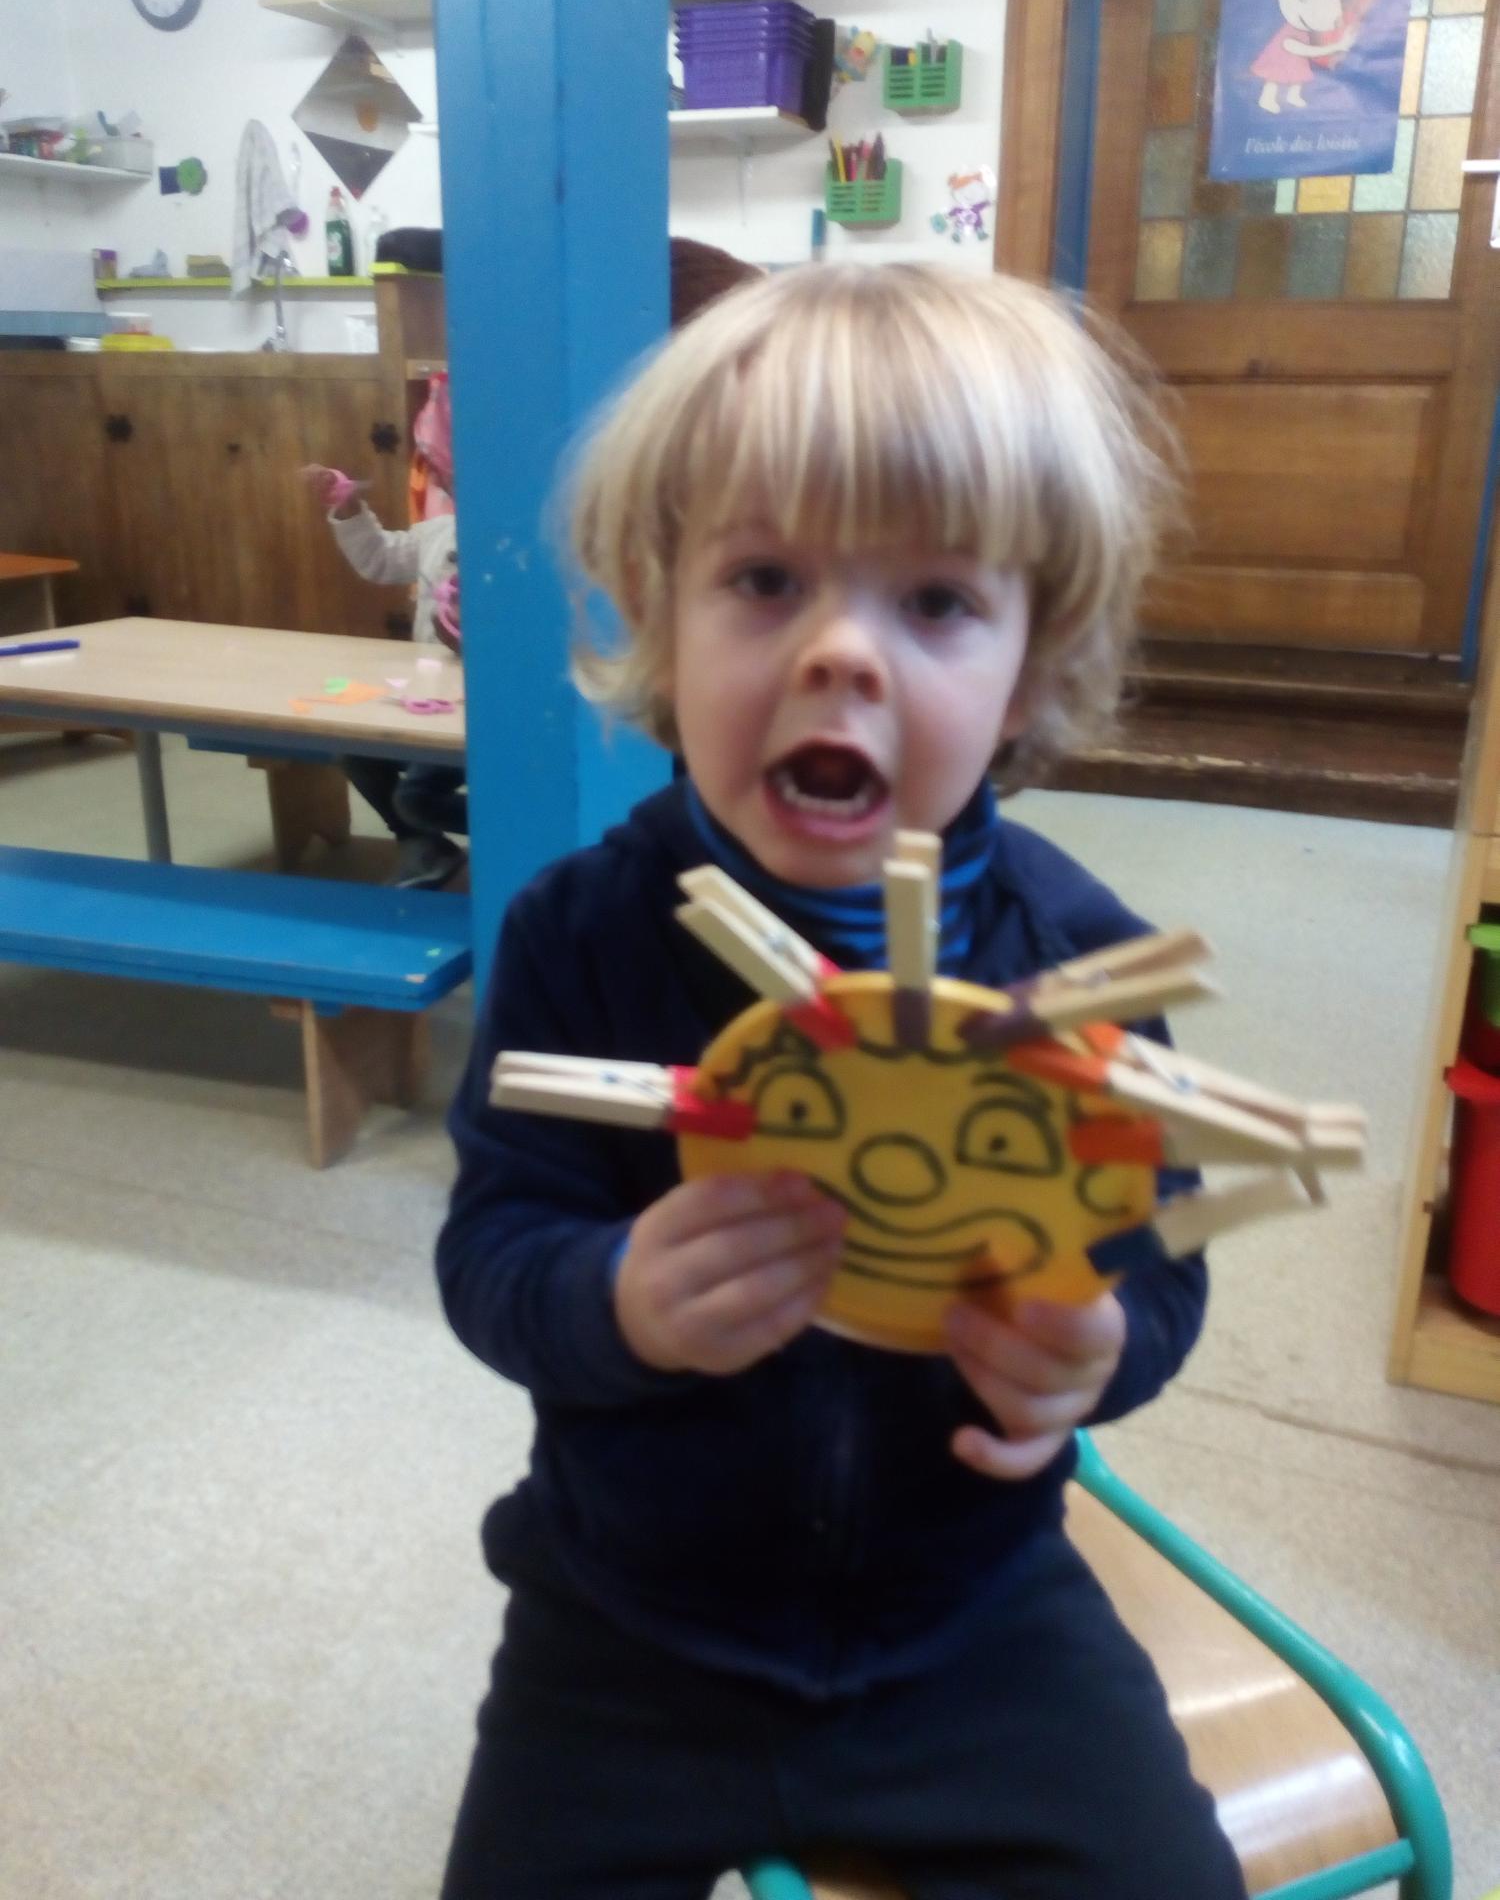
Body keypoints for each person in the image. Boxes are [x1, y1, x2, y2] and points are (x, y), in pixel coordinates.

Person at [436, 262, 1246, 1900]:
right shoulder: (580, 935)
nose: (840, 655)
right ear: (658, 612)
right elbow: (492, 1253)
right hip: (632, 1627)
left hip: (973, 1630)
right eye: (763, 578)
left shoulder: (1080, 973)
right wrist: (617, 1300)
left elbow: (1157, 1265)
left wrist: (1096, 1353)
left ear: (1032, 663)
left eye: (935, 601)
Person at [299, 458, 468, 891]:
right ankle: (421, 844)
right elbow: (379, 558)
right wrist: (350, 508)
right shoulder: (440, 532)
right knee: (354, 745)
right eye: (439, 470)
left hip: (478, 713)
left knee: (416, 797)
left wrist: (469, 646)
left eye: (445, 468)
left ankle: (518, 832)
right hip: (430, 698)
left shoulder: (520, 545)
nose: (439, 477)